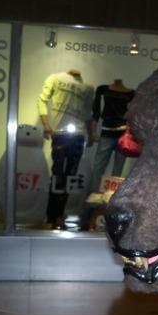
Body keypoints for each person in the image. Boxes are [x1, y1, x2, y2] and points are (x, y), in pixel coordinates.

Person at [38, 69, 94, 230]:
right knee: (57, 177)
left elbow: (88, 113)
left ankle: (58, 216)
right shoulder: (55, 78)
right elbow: (42, 100)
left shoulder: (88, 88)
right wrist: (47, 126)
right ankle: (51, 217)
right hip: (60, 134)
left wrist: (90, 135)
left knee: (69, 178)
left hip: (78, 136)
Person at [89, 79, 135, 190]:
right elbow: (96, 110)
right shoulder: (102, 89)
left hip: (123, 135)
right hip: (107, 131)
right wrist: (93, 130)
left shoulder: (131, 93)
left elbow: (132, 114)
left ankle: (109, 201)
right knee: (98, 168)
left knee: (117, 171)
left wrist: (131, 133)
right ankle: (91, 202)